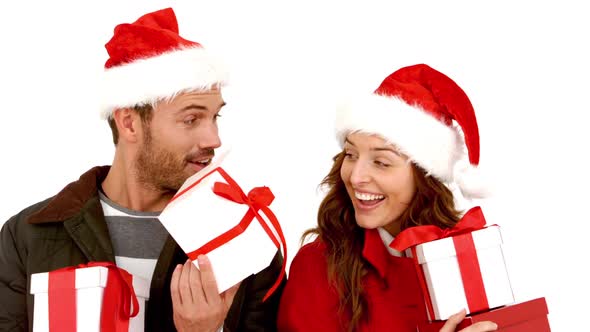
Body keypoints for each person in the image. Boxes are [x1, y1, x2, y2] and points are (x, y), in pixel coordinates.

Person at [0, 7, 284, 332]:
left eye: (214, 117)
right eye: (191, 119)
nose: (214, 139)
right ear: (129, 123)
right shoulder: (29, 236)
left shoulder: (243, 244)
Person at [277, 64, 497, 331]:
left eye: (381, 162)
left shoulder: (465, 256)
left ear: (424, 175)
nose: (356, 177)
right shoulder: (318, 267)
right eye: (350, 154)